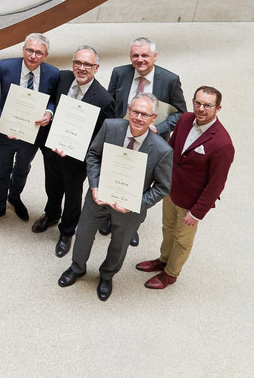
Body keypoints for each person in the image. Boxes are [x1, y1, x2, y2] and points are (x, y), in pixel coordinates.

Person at [58, 93, 172, 301]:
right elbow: (93, 155)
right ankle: (77, 267)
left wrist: (136, 204)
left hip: (130, 209)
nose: (138, 118)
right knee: (83, 235)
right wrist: (94, 186)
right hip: (98, 198)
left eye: (144, 114)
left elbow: (162, 187)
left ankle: (107, 276)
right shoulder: (111, 127)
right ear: (128, 110)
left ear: (153, 118)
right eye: (135, 112)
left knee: (119, 245)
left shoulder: (163, 150)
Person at [136, 86, 234, 289]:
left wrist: (197, 213)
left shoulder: (222, 143)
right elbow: (169, 150)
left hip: (191, 202)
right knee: (168, 229)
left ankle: (170, 273)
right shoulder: (185, 119)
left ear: (218, 108)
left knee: (182, 240)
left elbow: (217, 184)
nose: (201, 108)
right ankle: (163, 260)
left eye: (208, 105)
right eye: (198, 103)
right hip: (170, 190)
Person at [102, 37, 188, 246]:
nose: (140, 60)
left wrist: (159, 128)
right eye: (135, 55)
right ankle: (106, 216)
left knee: (140, 183)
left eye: (145, 55)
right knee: (113, 175)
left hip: (150, 142)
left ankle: (131, 225)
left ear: (155, 57)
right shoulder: (119, 73)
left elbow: (181, 114)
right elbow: (110, 104)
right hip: (120, 137)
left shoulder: (170, 80)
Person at [34, 46, 115, 257]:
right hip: (51, 148)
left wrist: (77, 149)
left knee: (72, 195)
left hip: (77, 159)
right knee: (51, 186)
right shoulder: (61, 78)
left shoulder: (104, 99)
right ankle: (51, 214)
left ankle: (67, 231)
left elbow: (102, 137)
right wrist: (49, 111)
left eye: (87, 64)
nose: (82, 68)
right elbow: (50, 99)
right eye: (78, 63)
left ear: (96, 68)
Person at [0, 33, 59, 227]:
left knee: (23, 168)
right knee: (2, 168)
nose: (32, 56)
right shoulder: (5, 67)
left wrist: (49, 112)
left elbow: (54, 99)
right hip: (6, 130)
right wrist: (2, 121)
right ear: (23, 49)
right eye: (29, 50)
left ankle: (14, 197)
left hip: (33, 132)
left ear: (45, 55)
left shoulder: (53, 73)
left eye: (38, 52)